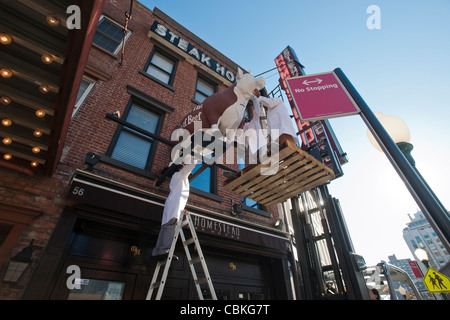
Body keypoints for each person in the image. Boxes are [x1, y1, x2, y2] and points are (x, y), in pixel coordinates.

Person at [151, 160, 196, 260]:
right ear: (179, 167)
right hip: (175, 205)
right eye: (183, 166)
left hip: (171, 204)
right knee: (171, 227)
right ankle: (164, 250)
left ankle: (157, 251)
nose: (184, 167)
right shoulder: (180, 175)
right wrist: (197, 153)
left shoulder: (176, 177)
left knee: (164, 228)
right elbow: (191, 166)